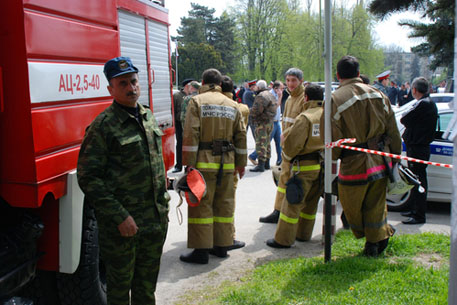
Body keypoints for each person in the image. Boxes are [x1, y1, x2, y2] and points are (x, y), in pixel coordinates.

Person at [77, 57, 169, 304]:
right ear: (111, 89)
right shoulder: (103, 126)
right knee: (119, 294)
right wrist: (120, 216)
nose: (131, 88)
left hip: (154, 221)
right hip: (123, 229)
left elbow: (152, 162)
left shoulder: (147, 116)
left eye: (134, 81)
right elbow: (88, 178)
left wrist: (165, 188)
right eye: (123, 83)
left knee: (146, 290)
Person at [322, 55, 401, 256]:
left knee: (351, 207)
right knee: (376, 204)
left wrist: (331, 159)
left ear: (338, 75)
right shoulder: (379, 94)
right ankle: (378, 239)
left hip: (352, 163)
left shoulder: (334, 99)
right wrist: (395, 157)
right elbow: (393, 130)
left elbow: (330, 135)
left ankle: (373, 243)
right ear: (358, 73)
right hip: (379, 159)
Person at [180, 68, 247, 264]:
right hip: (227, 164)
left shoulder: (196, 102)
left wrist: (189, 164)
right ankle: (222, 247)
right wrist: (241, 165)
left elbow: (191, 134)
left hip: (203, 163)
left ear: (202, 81)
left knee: (201, 206)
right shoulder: (233, 104)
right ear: (219, 84)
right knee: (224, 204)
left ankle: (201, 252)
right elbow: (241, 136)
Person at [266, 83, 324, 248]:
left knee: (292, 205)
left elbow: (292, 145)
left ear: (306, 98)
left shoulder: (305, 117)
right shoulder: (327, 115)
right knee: (310, 205)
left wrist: (286, 157)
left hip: (302, 168)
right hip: (320, 167)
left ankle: (283, 240)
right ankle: (303, 234)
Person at [259, 68, 306, 223]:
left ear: (300, 81)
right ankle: (278, 211)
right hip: (288, 149)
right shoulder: (291, 97)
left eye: (293, 80)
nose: (290, 84)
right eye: (288, 80)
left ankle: (288, 216)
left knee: (295, 185)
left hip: (297, 149)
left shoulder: (304, 98)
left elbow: (302, 124)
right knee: (282, 182)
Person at [400, 77, 438, 225]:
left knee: (419, 181)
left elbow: (405, 119)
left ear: (414, 90)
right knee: (415, 180)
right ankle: (414, 209)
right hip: (417, 146)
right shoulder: (427, 103)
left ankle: (419, 215)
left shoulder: (423, 104)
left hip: (418, 147)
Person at [221, 75, 248, 251]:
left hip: (209, 160)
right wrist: (242, 163)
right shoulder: (241, 108)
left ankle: (212, 237)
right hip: (231, 159)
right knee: (228, 201)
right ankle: (229, 236)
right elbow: (242, 137)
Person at [248, 81, 284, 166]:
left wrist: (250, 112)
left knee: (261, 143)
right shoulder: (269, 94)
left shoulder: (261, 96)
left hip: (263, 122)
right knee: (267, 143)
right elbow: (275, 106)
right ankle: (267, 163)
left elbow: (257, 110)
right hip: (270, 122)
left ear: (259, 87)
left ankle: (261, 164)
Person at [173, 78, 195, 173]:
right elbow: (173, 110)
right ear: (187, 86)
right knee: (180, 144)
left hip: (191, 125)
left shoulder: (194, 96)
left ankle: (189, 165)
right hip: (180, 124)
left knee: (190, 145)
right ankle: (179, 165)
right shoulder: (177, 96)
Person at [243, 79, 258, 144]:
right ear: (252, 86)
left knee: (245, 130)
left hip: (247, 113)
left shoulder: (246, 92)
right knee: (255, 131)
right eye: (255, 86)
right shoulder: (250, 93)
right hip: (251, 114)